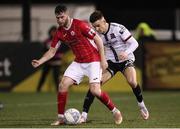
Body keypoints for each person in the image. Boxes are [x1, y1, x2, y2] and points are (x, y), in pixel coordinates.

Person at [31, 5, 122, 125]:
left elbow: (98, 40)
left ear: (67, 14)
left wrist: (103, 59)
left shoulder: (80, 25)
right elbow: (52, 51)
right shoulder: (59, 32)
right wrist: (40, 61)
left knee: (95, 90)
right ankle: (61, 118)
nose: (60, 20)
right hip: (78, 62)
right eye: (57, 18)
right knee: (62, 85)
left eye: (62, 17)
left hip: (93, 60)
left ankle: (115, 111)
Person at [80, 10, 149, 123]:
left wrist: (126, 52)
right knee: (96, 85)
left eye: (98, 26)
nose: (97, 29)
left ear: (104, 21)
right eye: (94, 26)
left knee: (132, 81)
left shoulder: (118, 28)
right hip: (110, 62)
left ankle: (141, 105)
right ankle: (84, 114)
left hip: (125, 59)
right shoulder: (96, 34)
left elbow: (134, 43)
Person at [36, 25, 69, 92]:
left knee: (56, 77)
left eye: (55, 32)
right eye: (52, 32)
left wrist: (60, 54)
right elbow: (44, 50)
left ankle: (58, 90)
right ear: (50, 32)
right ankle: (38, 89)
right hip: (48, 62)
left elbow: (64, 48)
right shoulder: (46, 41)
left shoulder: (60, 41)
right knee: (43, 76)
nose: (53, 33)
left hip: (57, 62)